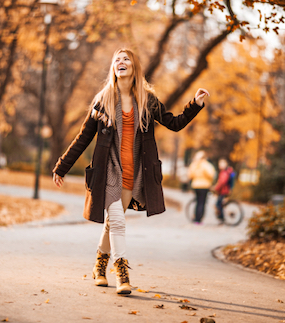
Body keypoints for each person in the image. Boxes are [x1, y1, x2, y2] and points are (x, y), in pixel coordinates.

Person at [52, 48, 209, 295]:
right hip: (108, 171)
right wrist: (62, 166)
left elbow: (174, 124)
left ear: (134, 67)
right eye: (117, 59)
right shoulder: (102, 100)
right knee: (117, 222)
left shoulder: (148, 100)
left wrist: (195, 104)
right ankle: (121, 272)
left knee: (112, 223)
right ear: (113, 68)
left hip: (133, 173)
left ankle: (98, 266)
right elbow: (83, 137)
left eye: (126, 59)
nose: (121, 62)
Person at [187, 150, 216, 224]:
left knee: (197, 202)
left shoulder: (194, 164)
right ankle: (199, 219)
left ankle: (196, 217)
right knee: (202, 202)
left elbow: (190, 175)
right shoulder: (206, 164)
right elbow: (211, 174)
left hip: (195, 185)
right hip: (204, 185)